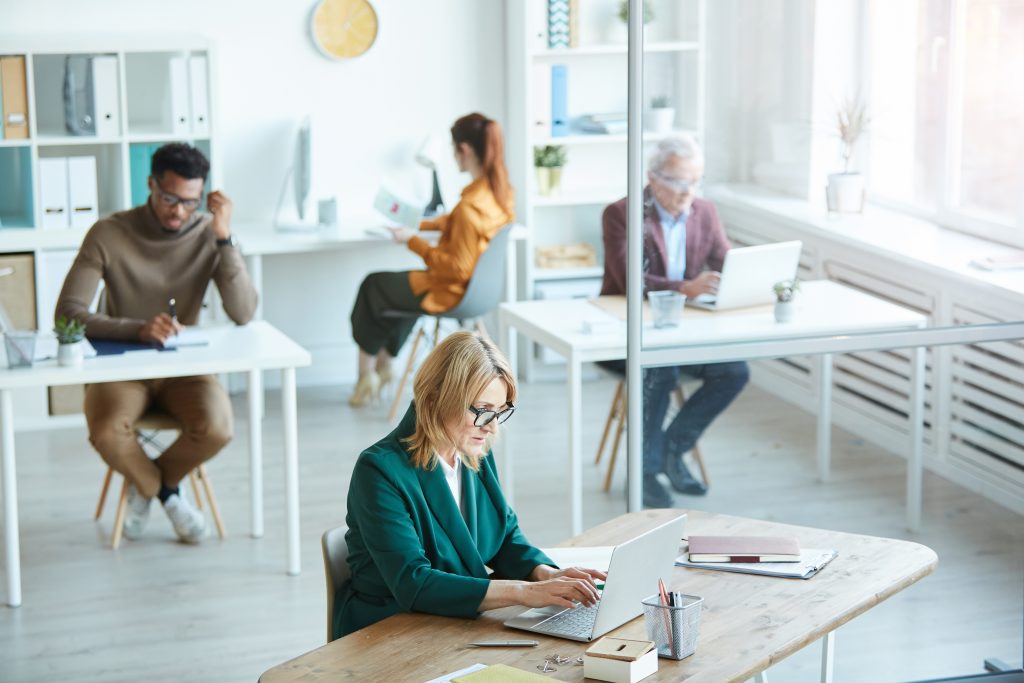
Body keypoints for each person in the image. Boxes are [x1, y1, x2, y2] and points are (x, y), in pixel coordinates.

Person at [333, 330, 606, 639]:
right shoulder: (379, 471)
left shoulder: (473, 452)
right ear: (436, 399)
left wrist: (547, 575)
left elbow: (504, 537)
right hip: (390, 631)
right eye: (482, 410)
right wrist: (525, 592)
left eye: (499, 412)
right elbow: (415, 582)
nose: (490, 427)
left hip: (455, 626)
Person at [55, 142, 257, 544]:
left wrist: (224, 238)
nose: (179, 211)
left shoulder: (207, 233)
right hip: (120, 368)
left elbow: (244, 311)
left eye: (190, 202)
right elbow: (68, 314)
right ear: (150, 184)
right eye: (169, 198)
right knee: (109, 431)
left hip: (185, 371)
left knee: (218, 428)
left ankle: (146, 485)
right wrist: (138, 328)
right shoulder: (109, 232)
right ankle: (166, 493)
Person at [600, 135, 749, 508]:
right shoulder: (622, 214)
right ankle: (645, 471)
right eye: (680, 182)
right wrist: (686, 288)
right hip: (623, 333)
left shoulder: (705, 212)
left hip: (681, 332)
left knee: (735, 372)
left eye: (695, 181)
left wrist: (748, 277)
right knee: (659, 369)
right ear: (652, 178)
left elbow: (725, 259)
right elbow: (628, 280)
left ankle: (670, 449)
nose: (689, 192)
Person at [348, 112, 514, 407]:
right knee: (396, 291)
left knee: (374, 286)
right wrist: (417, 226)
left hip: (449, 292)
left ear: (464, 150)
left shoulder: (468, 208)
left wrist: (411, 241)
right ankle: (385, 365)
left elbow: (457, 269)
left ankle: (367, 374)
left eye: (454, 151)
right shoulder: (497, 195)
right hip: (481, 293)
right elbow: (453, 223)